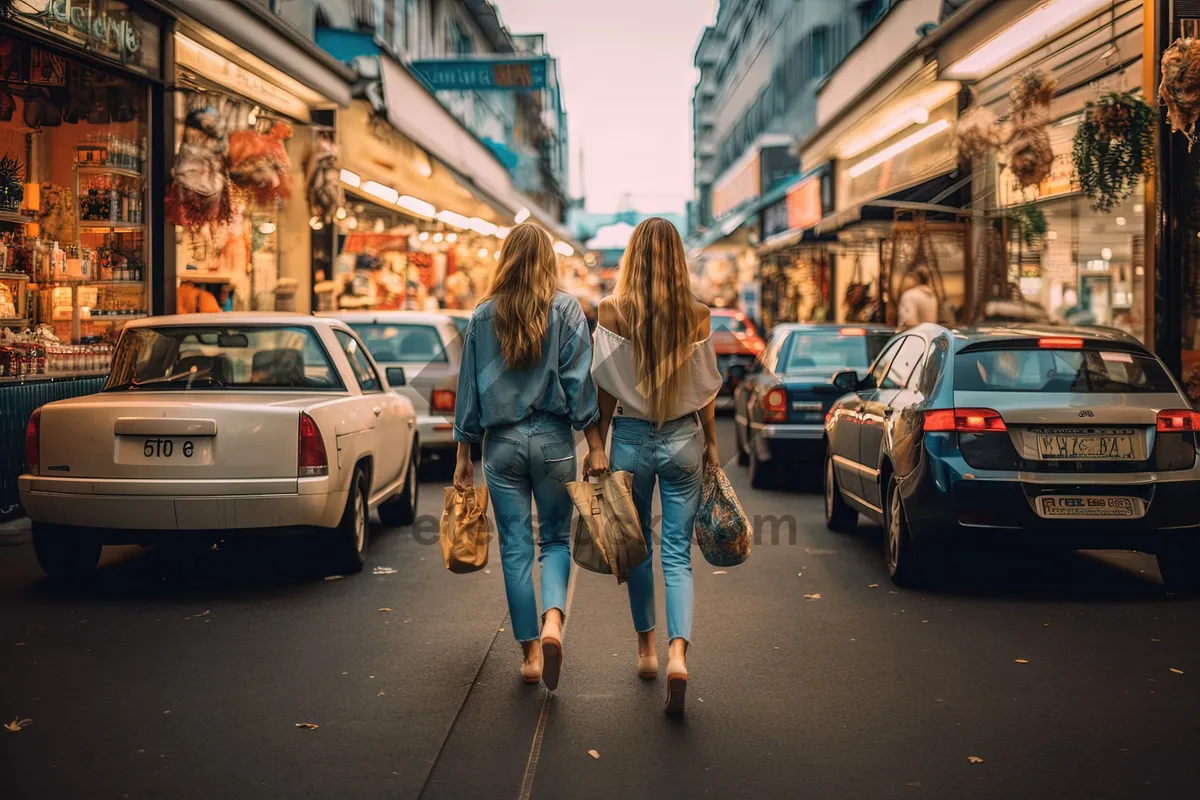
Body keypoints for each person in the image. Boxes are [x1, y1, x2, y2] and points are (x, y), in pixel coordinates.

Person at [453, 223, 609, 691]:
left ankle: (529, 655)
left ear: (506, 259)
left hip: (500, 446)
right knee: (556, 542)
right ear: (548, 260)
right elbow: (581, 383)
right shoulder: (567, 310)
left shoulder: (483, 316)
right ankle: (553, 623)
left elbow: (468, 393)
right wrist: (595, 443)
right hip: (554, 442)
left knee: (516, 550)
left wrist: (464, 454)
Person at [592, 217, 723, 715]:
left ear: (631, 256)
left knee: (637, 548)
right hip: (683, 438)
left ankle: (646, 650)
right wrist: (711, 443)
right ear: (676, 259)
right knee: (676, 555)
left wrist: (598, 445)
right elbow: (705, 387)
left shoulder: (610, 311)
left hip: (628, 440)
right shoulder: (698, 314)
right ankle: (677, 655)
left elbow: (604, 384)